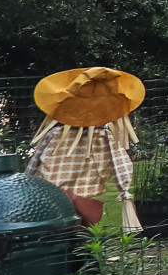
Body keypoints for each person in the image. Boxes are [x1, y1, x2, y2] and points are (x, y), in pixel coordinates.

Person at [24, 66, 146, 231]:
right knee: (81, 231)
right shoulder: (104, 136)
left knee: (56, 230)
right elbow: (121, 163)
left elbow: (35, 161)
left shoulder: (55, 134)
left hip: (52, 191)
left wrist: (27, 183)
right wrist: (124, 187)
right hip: (85, 193)